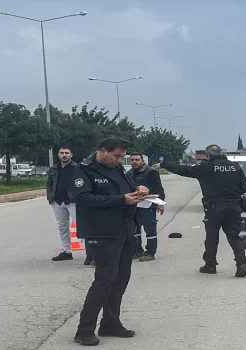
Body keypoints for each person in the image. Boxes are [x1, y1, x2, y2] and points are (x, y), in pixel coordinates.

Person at [69, 138, 153, 346]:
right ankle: (84, 329)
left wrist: (139, 190)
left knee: (121, 278)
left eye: (121, 157)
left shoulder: (116, 168)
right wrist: (121, 200)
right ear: (102, 151)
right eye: (116, 156)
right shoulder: (83, 170)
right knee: (104, 280)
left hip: (124, 229)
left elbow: (128, 189)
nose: (118, 160)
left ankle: (110, 323)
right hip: (102, 232)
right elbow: (83, 199)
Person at [153, 145, 246, 277]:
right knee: (233, 235)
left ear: (207, 155)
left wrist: (164, 164)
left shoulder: (206, 167)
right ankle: (241, 264)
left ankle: (210, 265)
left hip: (214, 207)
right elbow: (244, 187)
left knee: (212, 237)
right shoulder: (235, 166)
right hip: (234, 206)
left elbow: (183, 170)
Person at [46, 146, 94, 264]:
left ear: (71, 155)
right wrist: (50, 197)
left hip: (73, 201)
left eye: (67, 153)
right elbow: (49, 184)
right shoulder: (53, 169)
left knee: (82, 227)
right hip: (57, 201)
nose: (64, 155)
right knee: (62, 226)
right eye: (62, 153)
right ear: (58, 155)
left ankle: (90, 254)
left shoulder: (78, 168)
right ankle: (66, 251)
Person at [126, 153, 165, 262]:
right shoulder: (129, 173)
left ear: (142, 161)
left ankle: (150, 252)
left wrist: (160, 204)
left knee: (150, 230)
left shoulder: (150, 172)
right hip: (135, 205)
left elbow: (159, 188)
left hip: (148, 205)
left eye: (137, 160)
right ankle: (137, 250)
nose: (134, 162)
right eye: (132, 160)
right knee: (134, 229)